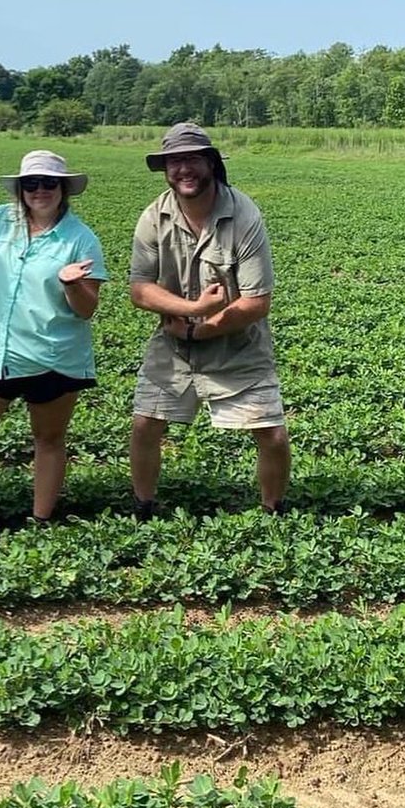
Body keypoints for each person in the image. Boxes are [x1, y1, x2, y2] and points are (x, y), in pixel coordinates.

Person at [128, 122, 290, 519]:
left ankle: (274, 511)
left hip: (238, 344)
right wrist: (192, 313)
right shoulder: (154, 216)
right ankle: (142, 506)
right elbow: (140, 289)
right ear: (165, 168)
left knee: (272, 434)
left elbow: (256, 302)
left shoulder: (244, 215)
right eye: (175, 161)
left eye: (193, 160)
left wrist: (203, 328)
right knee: (144, 425)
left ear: (212, 164)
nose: (184, 169)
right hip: (173, 343)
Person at [0, 149, 107, 528]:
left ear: (64, 189)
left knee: (48, 438)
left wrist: (73, 284)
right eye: (31, 184)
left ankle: (41, 519)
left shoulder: (81, 239)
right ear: (20, 190)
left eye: (49, 183)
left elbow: (87, 309)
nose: (40, 191)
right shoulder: (2, 220)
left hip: (54, 356)